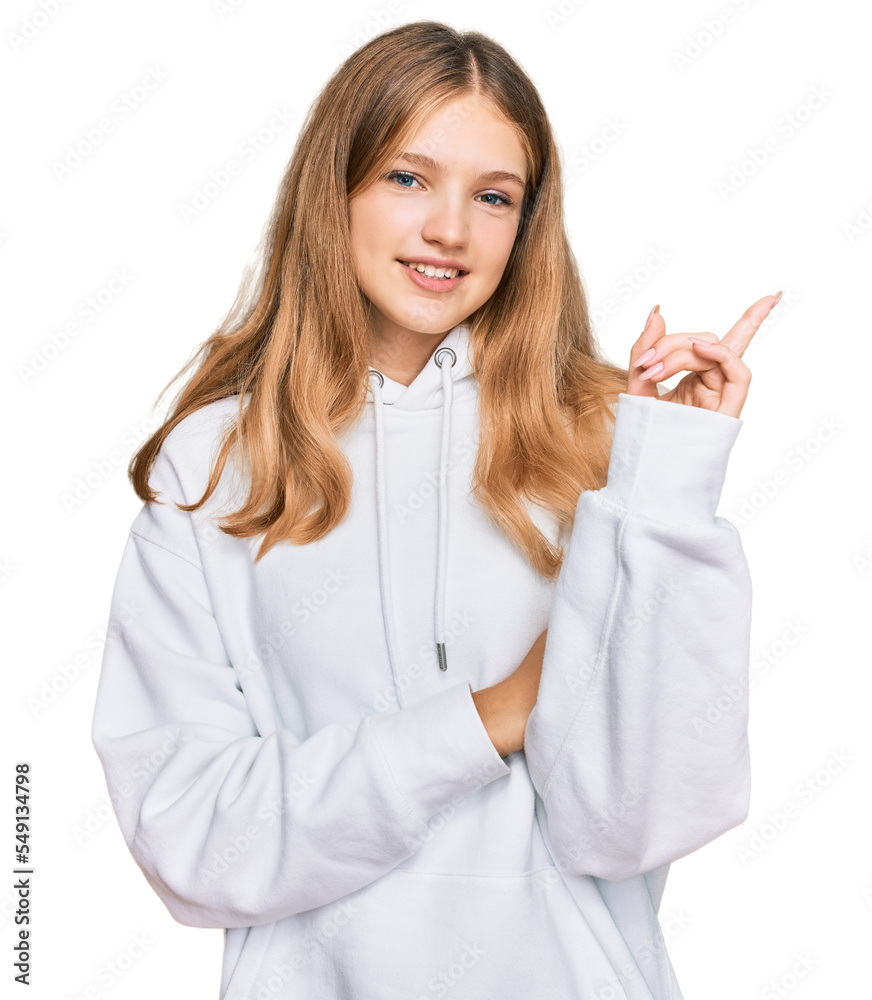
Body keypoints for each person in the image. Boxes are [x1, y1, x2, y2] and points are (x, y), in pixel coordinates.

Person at [90, 19, 778, 1000]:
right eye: (408, 178)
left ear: (524, 223)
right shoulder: (216, 468)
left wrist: (663, 485)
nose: (450, 231)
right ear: (335, 191)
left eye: (492, 197)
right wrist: (486, 718)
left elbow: (637, 819)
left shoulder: (599, 440)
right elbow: (192, 839)